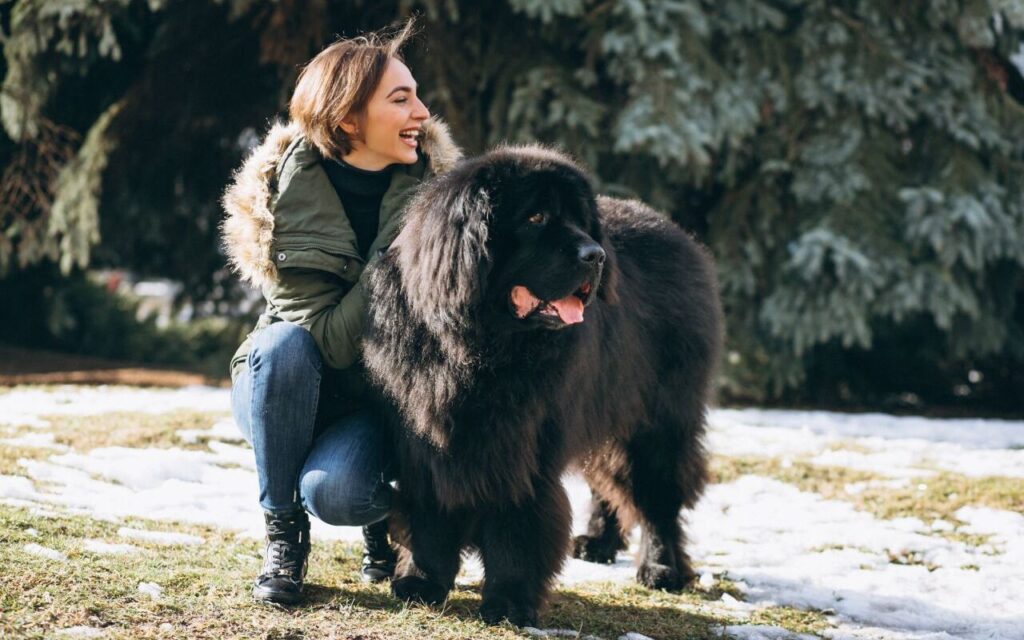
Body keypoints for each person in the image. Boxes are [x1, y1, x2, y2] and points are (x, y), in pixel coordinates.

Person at [220, 21, 461, 605]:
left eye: (418, 95)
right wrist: (392, 261)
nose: (423, 113)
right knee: (283, 346)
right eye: (400, 99)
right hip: (285, 387)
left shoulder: (440, 197)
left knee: (339, 495)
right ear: (348, 119)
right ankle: (283, 535)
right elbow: (325, 341)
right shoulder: (283, 195)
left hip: (373, 401)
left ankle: (381, 525)